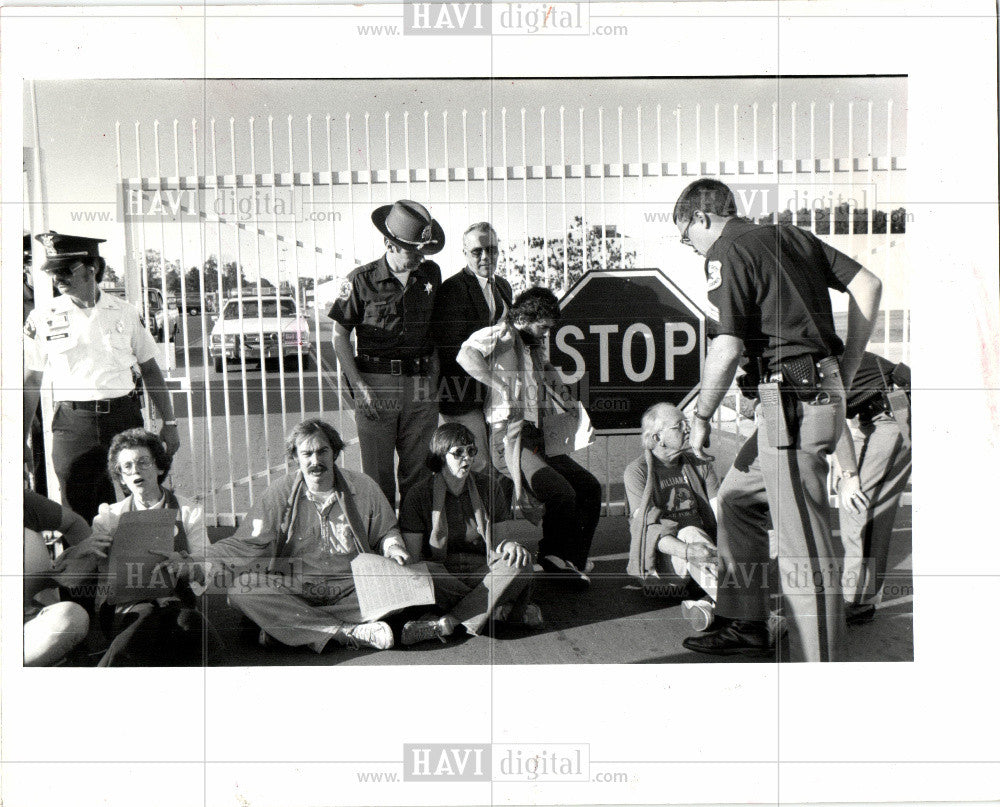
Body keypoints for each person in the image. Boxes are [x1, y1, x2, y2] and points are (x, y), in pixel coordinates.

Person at [673, 179, 883, 662]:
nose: (692, 248)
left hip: (790, 402)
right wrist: (846, 365)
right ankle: (744, 622)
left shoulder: (726, 251)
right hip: (805, 394)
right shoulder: (794, 236)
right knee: (736, 500)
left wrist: (702, 414)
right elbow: (868, 285)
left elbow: (726, 348)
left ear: (702, 218)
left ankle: (818, 664)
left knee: (801, 547)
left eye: (688, 237)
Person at [166, 419, 452, 652]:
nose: (316, 461)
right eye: (307, 454)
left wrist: (393, 549)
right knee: (242, 590)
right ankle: (347, 632)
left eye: (322, 451)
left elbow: (387, 532)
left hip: (352, 589)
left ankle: (290, 631)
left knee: (417, 581)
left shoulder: (363, 487)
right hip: (299, 588)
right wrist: (194, 559)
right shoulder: (278, 493)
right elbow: (243, 544)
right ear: (295, 458)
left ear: (335, 452)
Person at [23, 232, 180, 524]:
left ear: (92, 267)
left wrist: (169, 423)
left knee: (143, 502)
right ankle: (88, 569)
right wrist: (21, 441)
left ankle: (139, 566)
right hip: (73, 424)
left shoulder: (125, 312)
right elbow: (31, 382)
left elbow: (150, 369)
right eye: (53, 271)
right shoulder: (43, 317)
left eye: (66, 269)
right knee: (78, 512)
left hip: (122, 419)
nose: (57, 277)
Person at [458, 287, 601, 588]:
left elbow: (546, 370)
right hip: (508, 437)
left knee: (589, 488)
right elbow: (465, 355)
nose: (547, 332)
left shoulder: (534, 346)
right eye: (544, 325)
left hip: (536, 434)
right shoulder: (500, 333)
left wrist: (569, 400)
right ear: (525, 316)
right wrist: (499, 385)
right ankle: (552, 558)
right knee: (560, 492)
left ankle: (570, 559)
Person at [329, 200, 444, 508]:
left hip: (420, 383)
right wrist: (360, 387)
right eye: (413, 250)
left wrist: (432, 382)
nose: (421, 257)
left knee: (419, 471)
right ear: (389, 243)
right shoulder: (359, 280)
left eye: (423, 250)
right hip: (376, 383)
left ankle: (414, 539)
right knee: (378, 475)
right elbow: (340, 336)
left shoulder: (431, 275)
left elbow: (434, 330)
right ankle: (384, 543)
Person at [77, 429, 208, 666]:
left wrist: (186, 566)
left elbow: (205, 571)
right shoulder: (109, 517)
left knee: (190, 622)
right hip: (125, 608)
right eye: (126, 466)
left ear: (159, 468)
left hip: (175, 601)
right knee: (148, 616)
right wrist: (90, 550)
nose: (135, 470)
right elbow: (97, 577)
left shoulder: (189, 512)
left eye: (143, 462)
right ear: (121, 477)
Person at [398, 423, 541, 638]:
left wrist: (510, 546)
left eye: (471, 451)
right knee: (419, 573)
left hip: (482, 571)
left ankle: (450, 621)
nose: (467, 458)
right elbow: (414, 558)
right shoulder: (418, 495)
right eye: (458, 453)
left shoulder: (489, 487)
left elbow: (500, 543)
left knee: (522, 564)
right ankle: (494, 609)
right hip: (443, 574)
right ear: (440, 456)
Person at [624, 404, 720, 631]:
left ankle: (709, 605)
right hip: (666, 565)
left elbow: (722, 514)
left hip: (706, 557)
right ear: (658, 437)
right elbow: (649, 530)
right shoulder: (636, 472)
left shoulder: (699, 463)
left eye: (688, 424)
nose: (688, 430)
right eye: (680, 427)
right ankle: (748, 614)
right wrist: (689, 551)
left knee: (753, 540)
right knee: (690, 533)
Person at [834, 351, 912, 625]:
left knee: (859, 505)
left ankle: (857, 601)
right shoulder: (818, 356)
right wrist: (843, 465)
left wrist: (849, 473)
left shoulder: (812, 362)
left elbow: (833, 414)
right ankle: (861, 596)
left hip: (893, 411)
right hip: (878, 415)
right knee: (861, 506)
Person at [430, 222, 514, 470]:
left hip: (493, 394)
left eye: (492, 249)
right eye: (477, 251)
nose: (486, 256)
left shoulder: (503, 287)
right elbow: (455, 351)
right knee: (478, 464)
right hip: (462, 395)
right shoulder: (452, 290)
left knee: (501, 462)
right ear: (465, 253)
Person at [23, 490, 91, 666]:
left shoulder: (22, 500)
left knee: (71, 616)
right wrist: (51, 578)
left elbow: (74, 524)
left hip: (38, 624)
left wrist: (84, 559)